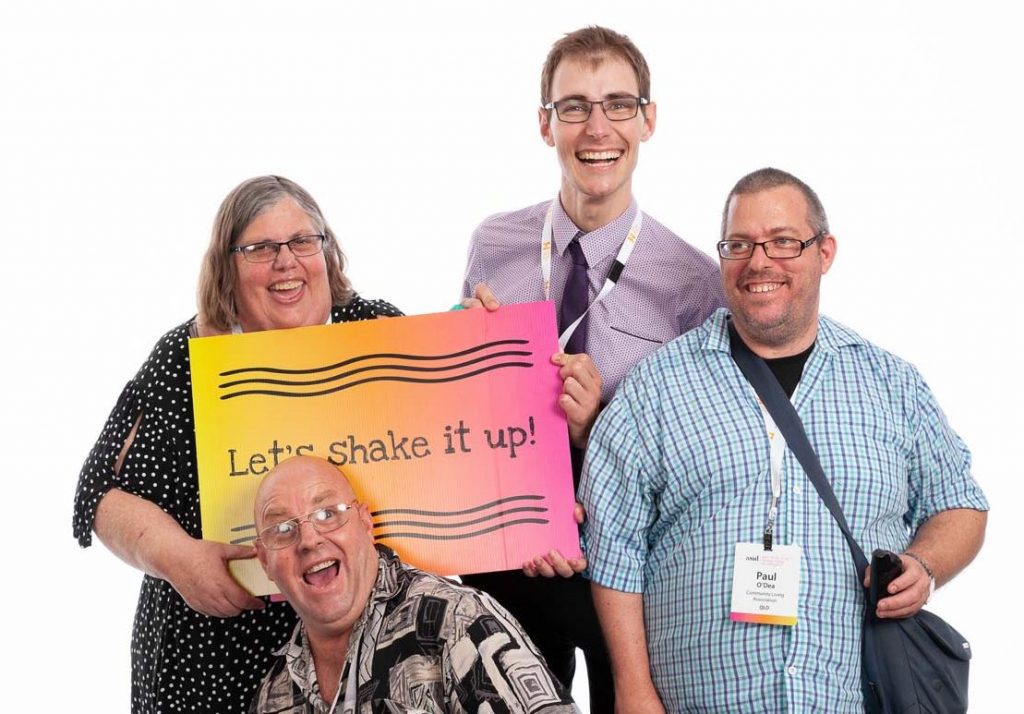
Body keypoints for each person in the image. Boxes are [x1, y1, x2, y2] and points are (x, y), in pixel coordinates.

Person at [579, 167, 989, 712]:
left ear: (825, 252)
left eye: (783, 242)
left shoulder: (893, 385)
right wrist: (632, 688)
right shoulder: (655, 387)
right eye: (739, 244)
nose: (759, 262)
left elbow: (960, 504)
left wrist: (926, 565)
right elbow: (614, 546)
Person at [460, 26, 724, 707]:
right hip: (511, 554)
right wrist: (466, 358)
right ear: (545, 125)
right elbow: (464, 415)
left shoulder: (694, 281)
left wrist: (596, 427)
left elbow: (701, 450)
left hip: (632, 569)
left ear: (648, 119)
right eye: (574, 106)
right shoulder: (495, 242)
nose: (596, 127)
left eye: (618, 104)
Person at [72, 176, 403, 713]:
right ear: (227, 266)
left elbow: (445, 443)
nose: (286, 263)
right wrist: (176, 558)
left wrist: (479, 333)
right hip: (215, 657)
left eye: (302, 241)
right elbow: (95, 495)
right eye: (260, 249)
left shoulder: (376, 329)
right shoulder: (187, 358)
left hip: (364, 649)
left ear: (327, 250)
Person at [248, 455, 578, 713]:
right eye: (283, 529)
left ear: (365, 523)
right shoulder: (272, 695)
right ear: (265, 562)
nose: (308, 539)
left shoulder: (459, 622)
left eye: (327, 514)